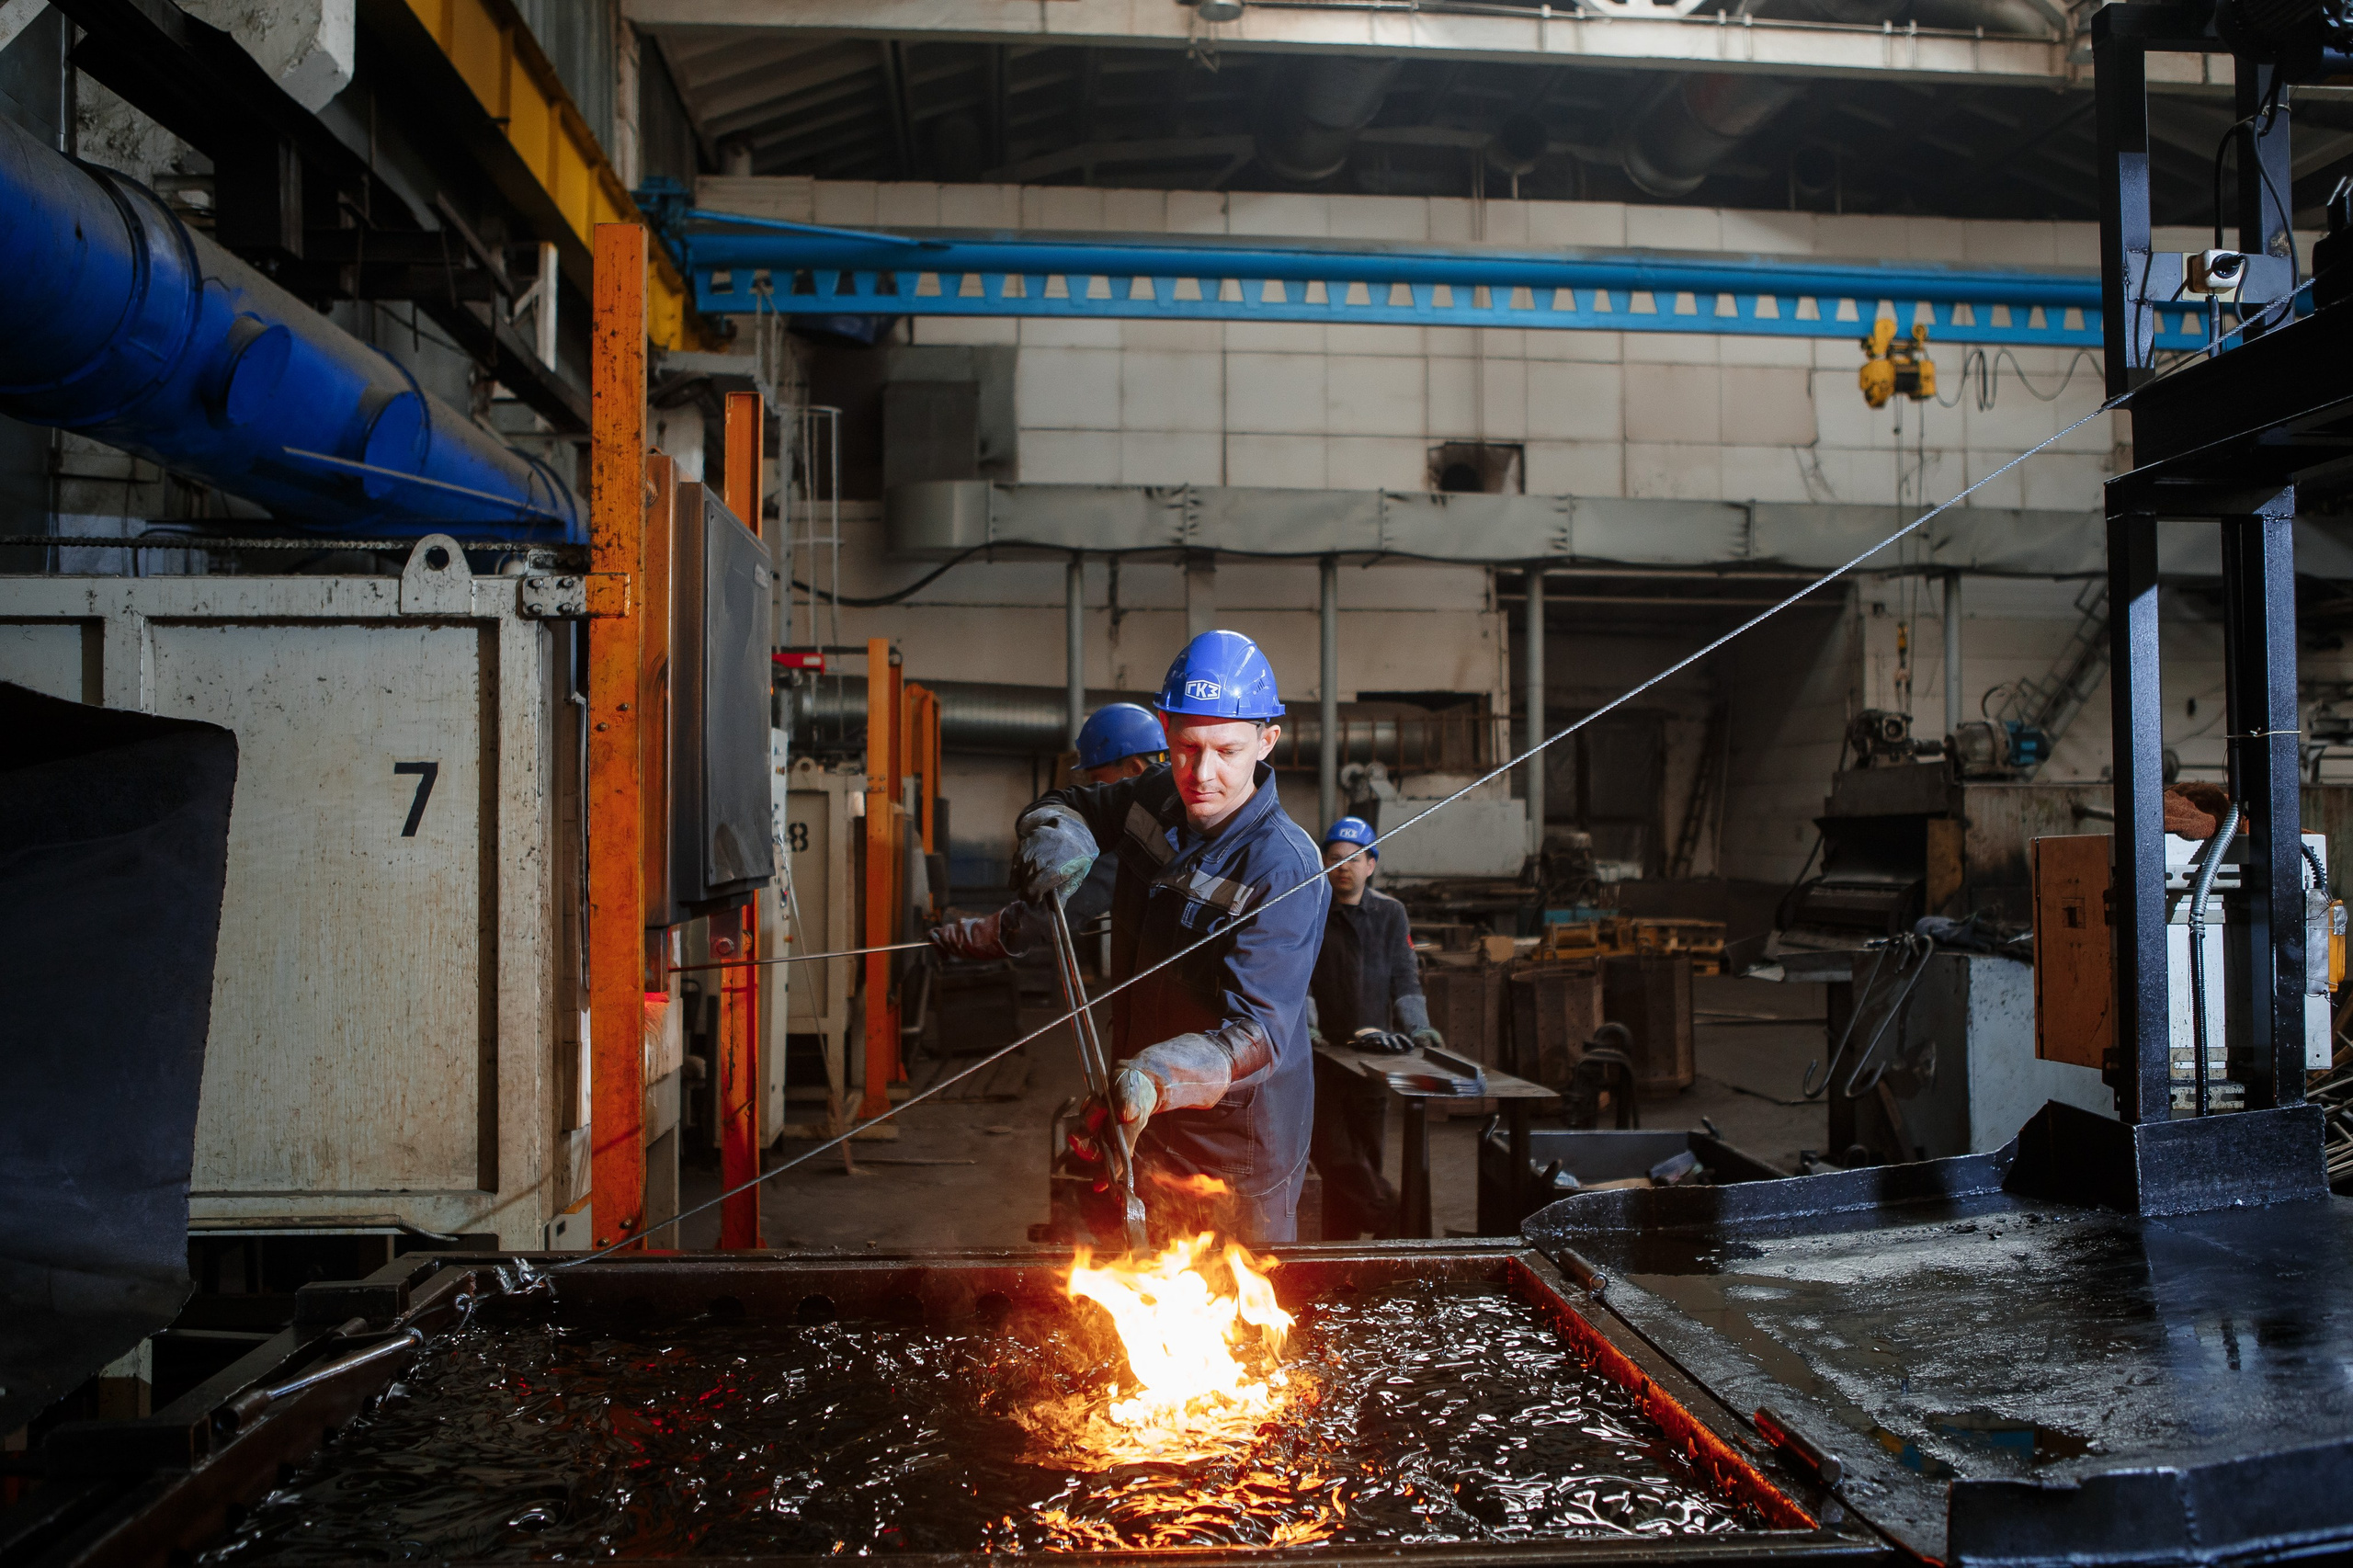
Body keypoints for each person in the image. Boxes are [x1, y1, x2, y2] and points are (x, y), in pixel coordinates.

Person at [929, 631, 1329, 1244]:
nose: (1202, 774)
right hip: (1140, 1116)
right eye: (1187, 748)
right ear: (1164, 730)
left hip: (1232, 1149)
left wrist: (1158, 1075)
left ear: (1266, 740)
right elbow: (1073, 804)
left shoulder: (1283, 867)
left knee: (1236, 1322)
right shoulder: (1154, 796)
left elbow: (1260, 1033)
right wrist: (1058, 831)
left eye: (1226, 751)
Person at [1306, 816, 1445, 1238]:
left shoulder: (1390, 915)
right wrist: (1309, 1031)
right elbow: (1302, 981)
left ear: (1371, 864)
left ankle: (1360, 1254)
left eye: (1353, 859)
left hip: (1374, 1062)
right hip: (1321, 1060)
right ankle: (1394, 1220)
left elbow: (1405, 979)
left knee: (1366, 1154)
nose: (1343, 866)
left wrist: (1419, 1029)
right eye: (1334, 859)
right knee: (1335, 1155)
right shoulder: (1311, 910)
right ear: (1324, 864)